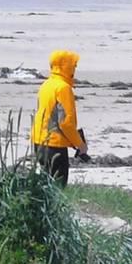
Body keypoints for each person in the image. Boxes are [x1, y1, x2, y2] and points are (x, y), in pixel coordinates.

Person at [31, 49, 89, 183]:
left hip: (39, 141)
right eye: (73, 65)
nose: (75, 68)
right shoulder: (63, 88)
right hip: (54, 145)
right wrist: (80, 144)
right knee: (58, 188)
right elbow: (65, 123)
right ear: (65, 66)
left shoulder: (46, 84)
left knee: (46, 186)